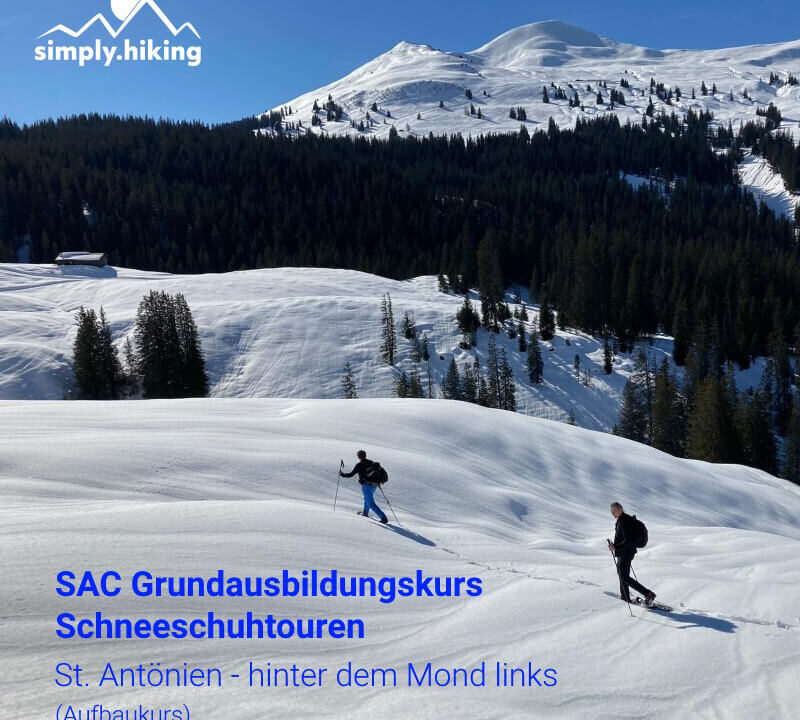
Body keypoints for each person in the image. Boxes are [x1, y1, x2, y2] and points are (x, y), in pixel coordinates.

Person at [607, 502, 656, 607]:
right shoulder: (622, 520)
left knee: (624, 576)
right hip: (624, 552)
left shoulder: (625, 521)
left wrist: (615, 547)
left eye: (614, 511)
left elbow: (628, 540)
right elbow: (624, 539)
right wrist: (615, 546)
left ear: (620, 509)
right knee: (622, 574)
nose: (613, 513)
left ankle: (648, 594)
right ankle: (625, 596)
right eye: (612, 512)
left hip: (626, 552)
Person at [339, 450, 388, 524]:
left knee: (371, 503)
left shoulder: (359, 465)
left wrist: (342, 474)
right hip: (374, 485)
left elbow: (351, 474)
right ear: (365, 455)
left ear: (358, 456)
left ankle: (383, 518)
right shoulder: (371, 463)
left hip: (366, 485)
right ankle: (365, 513)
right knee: (367, 499)